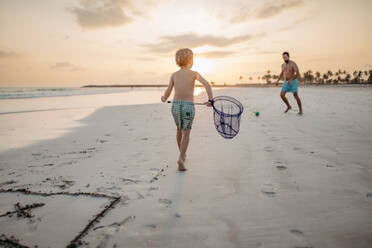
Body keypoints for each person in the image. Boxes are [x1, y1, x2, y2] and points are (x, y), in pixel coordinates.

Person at [161, 48, 213, 171]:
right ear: (191, 60)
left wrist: (164, 98)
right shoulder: (194, 73)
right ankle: (181, 158)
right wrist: (211, 100)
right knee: (186, 132)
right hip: (188, 106)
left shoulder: (174, 75)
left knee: (179, 130)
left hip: (175, 106)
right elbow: (207, 85)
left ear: (177, 61)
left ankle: (182, 155)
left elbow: (168, 91)